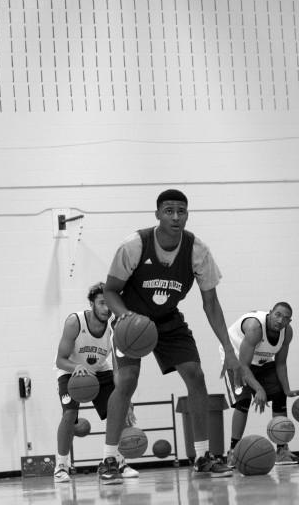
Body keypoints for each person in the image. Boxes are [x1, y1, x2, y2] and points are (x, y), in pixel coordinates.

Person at [102, 189, 244, 482]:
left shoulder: (198, 250)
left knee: (196, 375)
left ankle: (203, 456)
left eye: (181, 211)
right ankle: (109, 460)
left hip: (168, 321)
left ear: (187, 215)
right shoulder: (134, 245)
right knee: (126, 382)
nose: (176, 217)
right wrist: (124, 316)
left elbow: (211, 303)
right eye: (169, 211)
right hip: (133, 320)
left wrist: (229, 351)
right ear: (157, 214)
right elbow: (110, 290)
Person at [52, 282, 138, 483]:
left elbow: (117, 369)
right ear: (92, 304)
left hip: (100, 370)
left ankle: (118, 462)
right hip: (69, 370)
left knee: (120, 409)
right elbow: (60, 360)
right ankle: (61, 466)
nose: (106, 308)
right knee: (70, 414)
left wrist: (125, 398)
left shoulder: (115, 329)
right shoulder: (75, 322)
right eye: (101, 303)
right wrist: (76, 368)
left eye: (109, 304)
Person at [220, 303, 299, 467]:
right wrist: (259, 389)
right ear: (270, 313)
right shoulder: (255, 328)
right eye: (278, 315)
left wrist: (287, 389)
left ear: (290, 321)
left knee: (280, 393)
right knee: (243, 402)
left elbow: (281, 364)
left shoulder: (287, 333)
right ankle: (233, 452)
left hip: (260, 361)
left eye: (285, 318)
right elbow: (244, 365)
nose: (280, 320)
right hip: (236, 360)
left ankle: (282, 451)